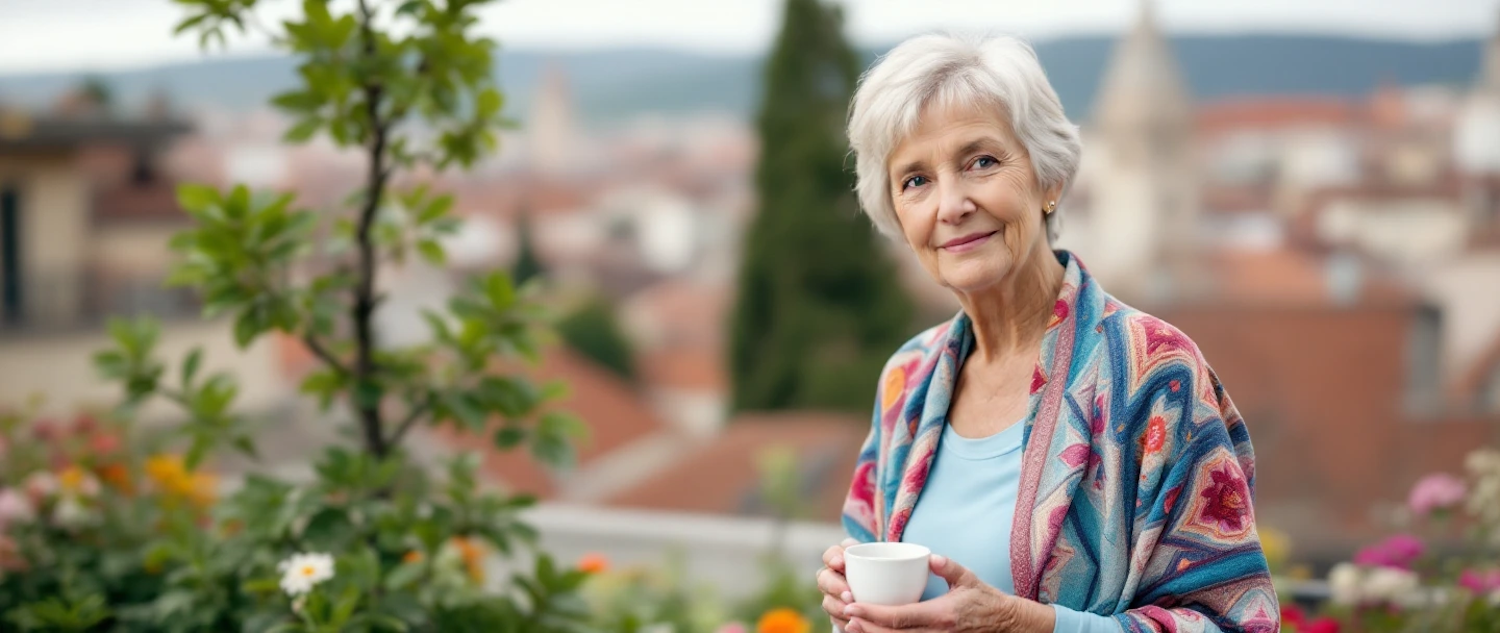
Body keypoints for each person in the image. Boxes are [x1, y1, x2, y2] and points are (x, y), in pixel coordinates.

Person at [814, 34, 1279, 633]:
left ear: (1048, 178)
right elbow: (866, 562)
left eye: (981, 162)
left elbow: (1235, 624)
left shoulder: (1154, 372)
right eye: (916, 181)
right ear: (898, 218)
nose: (951, 204)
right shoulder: (909, 377)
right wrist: (851, 599)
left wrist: (1022, 623)